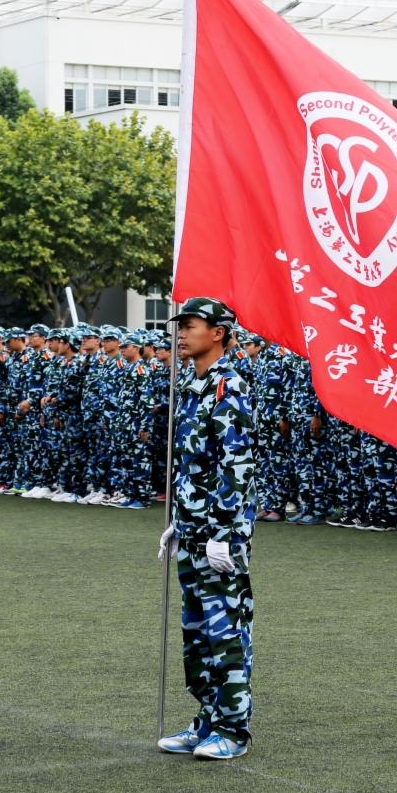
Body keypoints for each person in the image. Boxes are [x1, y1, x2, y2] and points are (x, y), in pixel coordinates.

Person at [157, 297, 258, 760]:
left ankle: (233, 730)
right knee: (196, 632)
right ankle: (207, 720)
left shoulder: (227, 386)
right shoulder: (193, 385)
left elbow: (234, 468)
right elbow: (191, 467)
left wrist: (224, 533)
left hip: (220, 535)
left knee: (225, 630)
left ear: (217, 332)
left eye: (190, 325)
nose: (180, 333)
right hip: (193, 530)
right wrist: (178, 522)